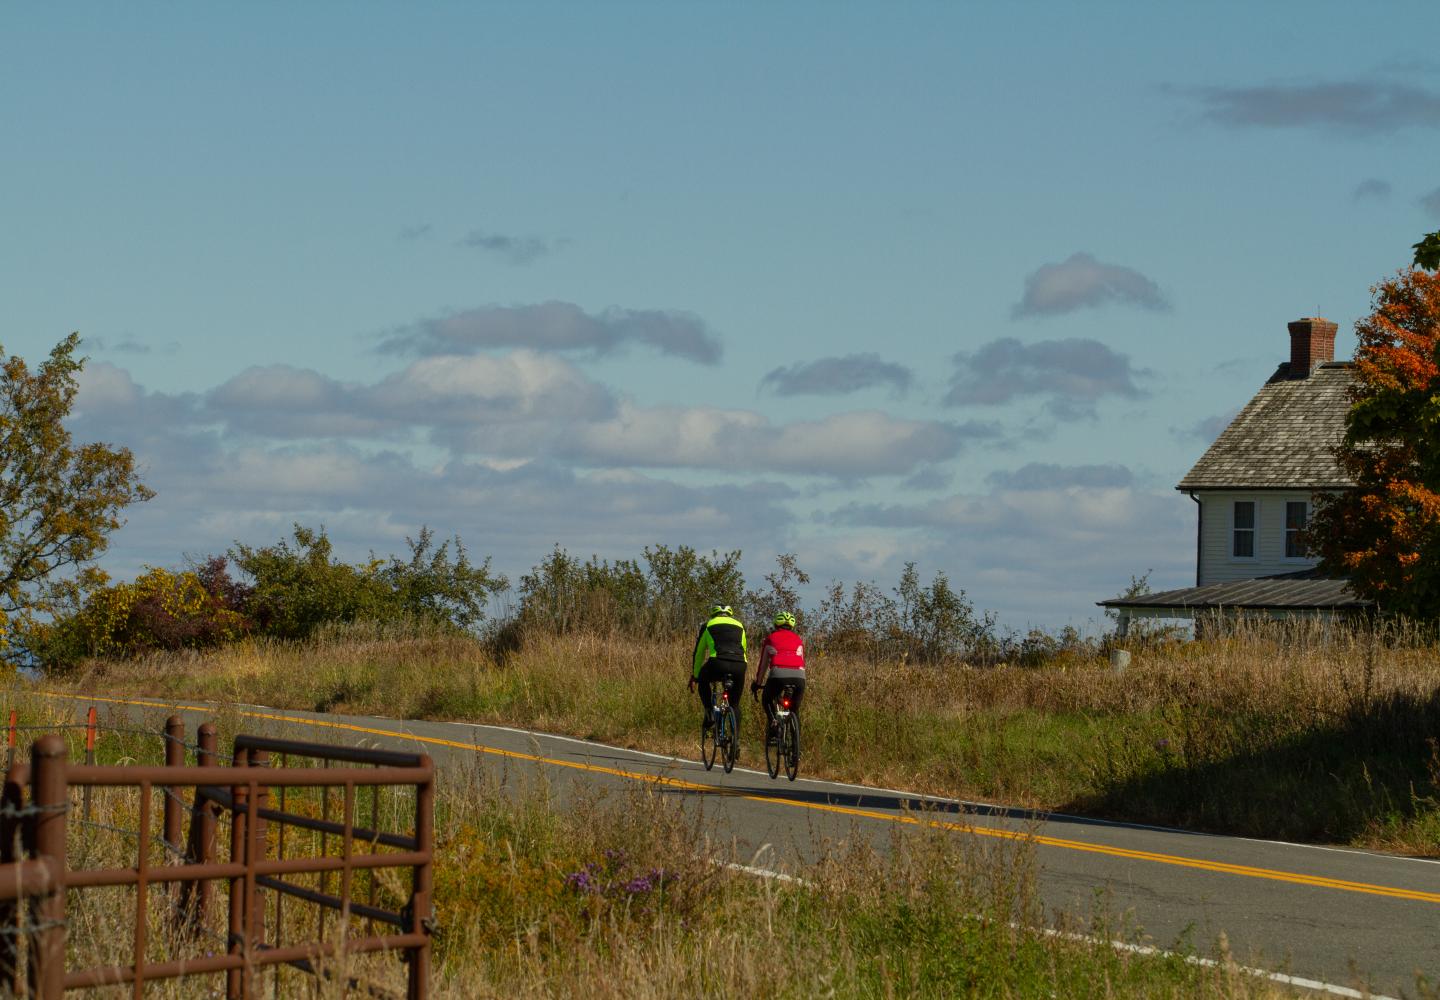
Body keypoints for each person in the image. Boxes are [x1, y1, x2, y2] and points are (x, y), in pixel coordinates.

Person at [690, 604, 748, 734]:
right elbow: (744, 649)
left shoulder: (708, 625)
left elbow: (699, 653)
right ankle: (736, 741)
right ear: (730, 614)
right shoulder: (741, 626)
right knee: (735, 705)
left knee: (703, 680)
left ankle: (709, 711)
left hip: (718, 663)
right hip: (739, 665)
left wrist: (695, 676)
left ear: (713, 614)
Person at [751, 611, 806, 744]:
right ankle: (795, 749)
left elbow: (763, 665)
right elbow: (802, 661)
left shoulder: (771, 638)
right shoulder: (798, 639)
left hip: (778, 675)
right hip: (799, 677)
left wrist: (758, 683)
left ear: (776, 624)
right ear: (792, 626)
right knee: (794, 710)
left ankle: (774, 723)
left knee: (767, 699)